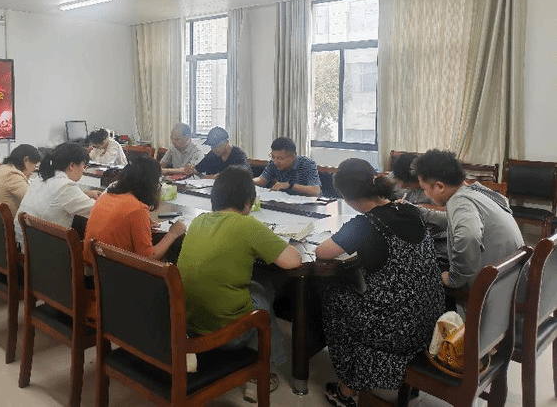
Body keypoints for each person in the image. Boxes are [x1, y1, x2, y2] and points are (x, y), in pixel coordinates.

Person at [315, 158, 444, 406]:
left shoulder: (365, 224)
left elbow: (322, 252)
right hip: (430, 319)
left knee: (334, 295)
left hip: (395, 330)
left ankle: (349, 384)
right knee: (364, 291)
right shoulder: (410, 210)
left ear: (346, 197)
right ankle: (359, 375)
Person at [177, 166, 302, 401]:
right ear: (248, 202)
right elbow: (293, 261)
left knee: (255, 285)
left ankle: (263, 364)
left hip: (189, 325)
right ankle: (260, 371)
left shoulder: (198, 221)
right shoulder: (248, 225)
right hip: (229, 337)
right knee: (265, 289)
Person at [413, 149, 524, 289]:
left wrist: (455, 278)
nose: (425, 194)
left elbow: (468, 236)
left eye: (424, 188)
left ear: (440, 186)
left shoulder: (459, 201)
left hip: (494, 287)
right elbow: (455, 221)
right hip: (512, 274)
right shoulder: (475, 191)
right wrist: (421, 212)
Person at [83, 156, 185, 262]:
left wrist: (142, 225)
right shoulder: (137, 209)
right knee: (174, 251)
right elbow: (148, 257)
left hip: (94, 263)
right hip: (113, 269)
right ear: (149, 184)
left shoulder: (106, 196)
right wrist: (173, 234)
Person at [15, 142, 98, 245]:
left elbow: (58, 196)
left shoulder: (41, 178)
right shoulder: (66, 187)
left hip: (25, 243)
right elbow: (96, 211)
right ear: (72, 165)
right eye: (84, 166)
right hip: (46, 247)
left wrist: (86, 194)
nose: (83, 171)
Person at [0, 144, 42, 216]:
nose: (34, 168)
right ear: (26, 160)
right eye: (34, 164)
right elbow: (34, 202)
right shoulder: (12, 175)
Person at [253, 137, 321, 196]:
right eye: (273, 157)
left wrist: (290, 185)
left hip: (305, 204)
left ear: (292, 157)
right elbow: (262, 180)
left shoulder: (307, 164)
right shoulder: (273, 163)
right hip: (284, 202)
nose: (276, 162)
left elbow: (316, 190)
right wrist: (248, 181)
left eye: (280, 158)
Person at [184, 126, 250, 178]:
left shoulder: (238, 155)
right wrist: (191, 169)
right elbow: (198, 169)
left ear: (226, 142)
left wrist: (211, 177)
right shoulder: (213, 154)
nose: (213, 149)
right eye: (212, 146)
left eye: (216, 146)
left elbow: (242, 177)